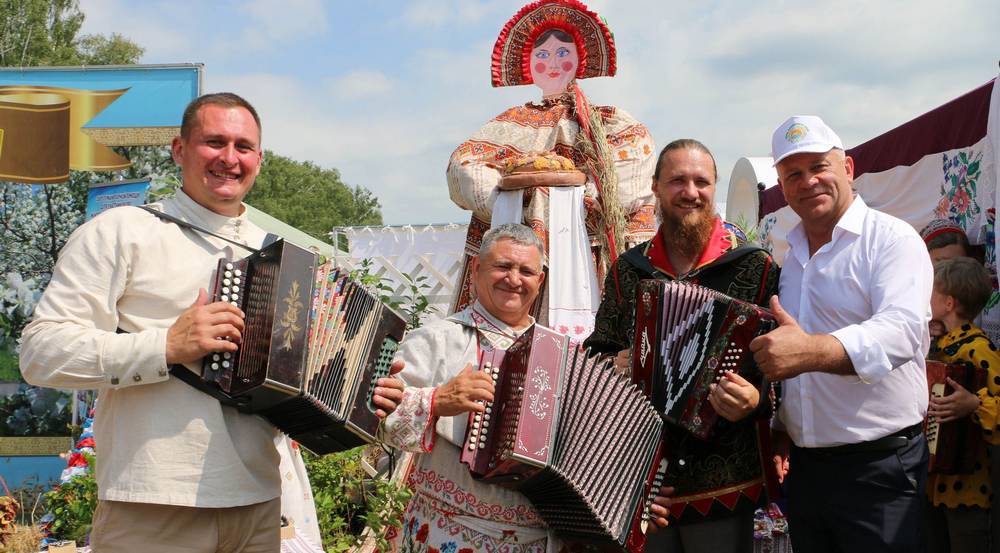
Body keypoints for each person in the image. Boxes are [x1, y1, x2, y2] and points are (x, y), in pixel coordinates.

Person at [19, 92, 404, 552]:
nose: (229, 158)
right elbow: (40, 354)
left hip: (260, 503)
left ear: (259, 159)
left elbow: (301, 384)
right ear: (180, 150)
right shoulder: (122, 230)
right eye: (213, 142)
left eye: (243, 147)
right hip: (154, 502)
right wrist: (166, 346)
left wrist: (364, 390)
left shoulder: (285, 258)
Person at [584, 139, 779, 553]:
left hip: (726, 479)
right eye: (677, 181)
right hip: (642, 477)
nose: (690, 192)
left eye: (701, 182)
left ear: (714, 187)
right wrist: (612, 364)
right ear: (655, 187)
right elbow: (595, 353)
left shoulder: (755, 267)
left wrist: (757, 399)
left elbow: (782, 367)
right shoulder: (628, 271)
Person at [750, 115, 933, 553]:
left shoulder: (891, 239)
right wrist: (784, 427)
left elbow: (903, 332)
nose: (808, 181)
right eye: (793, 173)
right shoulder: (789, 258)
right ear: (781, 184)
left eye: (819, 166)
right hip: (808, 468)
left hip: (880, 467)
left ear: (847, 168)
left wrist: (811, 352)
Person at [448, 0, 657, 341]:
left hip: (590, 256)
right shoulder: (507, 124)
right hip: (524, 257)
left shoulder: (610, 121)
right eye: (543, 55)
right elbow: (462, 167)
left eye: (563, 53)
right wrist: (521, 200)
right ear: (528, 64)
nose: (553, 63)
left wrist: (576, 200)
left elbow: (632, 172)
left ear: (580, 59)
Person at [382, 223, 556, 552]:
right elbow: (383, 425)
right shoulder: (436, 339)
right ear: (476, 269)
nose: (514, 280)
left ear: (540, 281)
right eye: (503, 266)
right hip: (446, 534)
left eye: (526, 271)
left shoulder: (559, 357)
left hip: (538, 543)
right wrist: (435, 401)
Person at [925, 256, 1000, 553]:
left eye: (930, 294)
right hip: (932, 484)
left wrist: (975, 404)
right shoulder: (933, 345)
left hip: (967, 487)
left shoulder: (978, 348)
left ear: (948, 304)